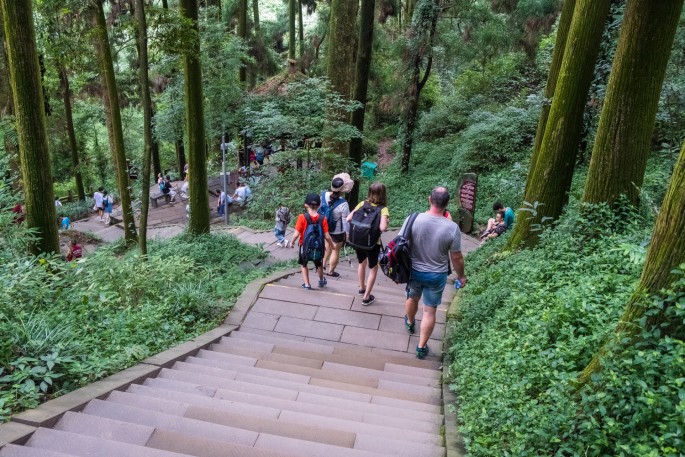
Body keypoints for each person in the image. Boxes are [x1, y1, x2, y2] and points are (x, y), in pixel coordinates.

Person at [403, 187, 467, 359]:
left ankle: (409, 322)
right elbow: (457, 257)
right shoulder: (452, 228)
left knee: (412, 297)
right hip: (436, 275)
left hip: (414, 270)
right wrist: (461, 276)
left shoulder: (413, 219)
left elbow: (402, 243)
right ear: (447, 204)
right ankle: (421, 347)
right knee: (429, 311)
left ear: (429, 199)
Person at [345, 182, 389, 306]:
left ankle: (362, 288)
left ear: (370, 193)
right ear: (383, 195)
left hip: (358, 241)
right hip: (372, 244)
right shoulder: (383, 209)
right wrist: (386, 223)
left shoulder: (362, 204)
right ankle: (366, 297)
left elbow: (348, 219)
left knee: (361, 263)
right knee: (373, 268)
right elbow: (382, 227)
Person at [290, 193, 333, 289]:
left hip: (304, 246)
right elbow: (327, 236)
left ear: (306, 204)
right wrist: (332, 246)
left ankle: (307, 284)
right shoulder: (323, 218)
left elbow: (296, 234)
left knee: (304, 264)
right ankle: (321, 280)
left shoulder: (302, 217)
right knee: (319, 264)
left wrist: (292, 242)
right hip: (318, 247)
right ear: (319, 205)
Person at [322, 177, 350, 278]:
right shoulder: (343, 203)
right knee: (335, 250)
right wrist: (347, 233)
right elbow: (345, 221)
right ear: (342, 189)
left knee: (327, 245)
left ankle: (323, 265)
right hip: (337, 230)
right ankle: (331, 271)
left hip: (325, 227)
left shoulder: (323, 195)